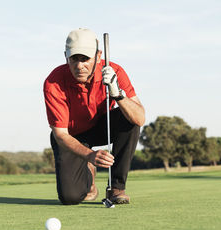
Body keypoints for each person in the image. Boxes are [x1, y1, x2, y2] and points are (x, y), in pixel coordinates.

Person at [43, 28, 145, 205]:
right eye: (74, 58)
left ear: (98, 56)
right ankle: (88, 177)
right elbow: (60, 134)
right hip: (71, 136)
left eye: (85, 59)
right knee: (70, 198)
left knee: (129, 118)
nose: (79, 65)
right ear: (66, 56)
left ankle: (116, 188)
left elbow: (140, 118)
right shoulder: (54, 81)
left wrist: (118, 94)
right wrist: (90, 155)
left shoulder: (115, 71)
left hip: (100, 126)